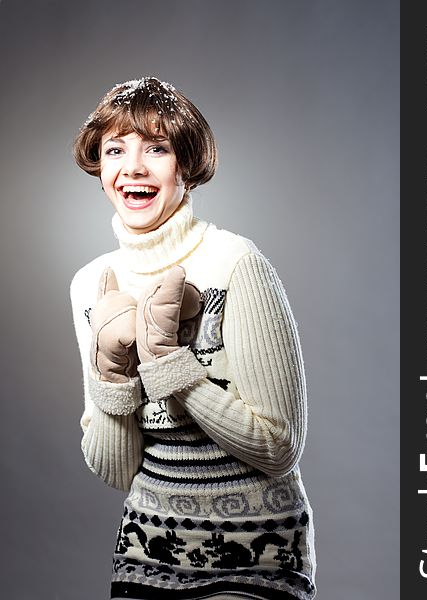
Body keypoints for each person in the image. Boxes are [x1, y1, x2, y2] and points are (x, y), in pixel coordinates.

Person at [70, 76, 316, 600]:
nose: (133, 167)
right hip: (145, 549)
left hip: (257, 551)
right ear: (101, 168)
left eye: (155, 149)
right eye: (116, 149)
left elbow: (279, 446)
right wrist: (112, 375)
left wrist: (169, 366)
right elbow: (117, 470)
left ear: (185, 166)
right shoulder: (90, 285)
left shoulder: (236, 263)